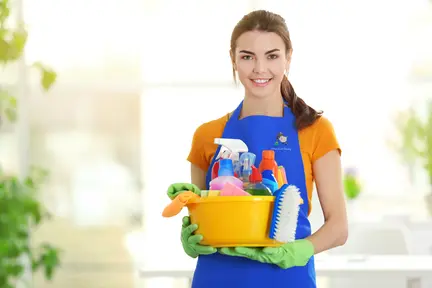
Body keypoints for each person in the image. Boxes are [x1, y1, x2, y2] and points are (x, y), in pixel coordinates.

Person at [182, 9, 348, 288]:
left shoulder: (315, 130)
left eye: (272, 56)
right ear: (234, 60)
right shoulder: (206, 136)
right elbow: (201, 219)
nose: (260, 68)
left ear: (288, 58)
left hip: (286, 277)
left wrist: (300, 250)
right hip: (217, 278)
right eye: (247, 56)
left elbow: (339, 227)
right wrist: (191, 238)